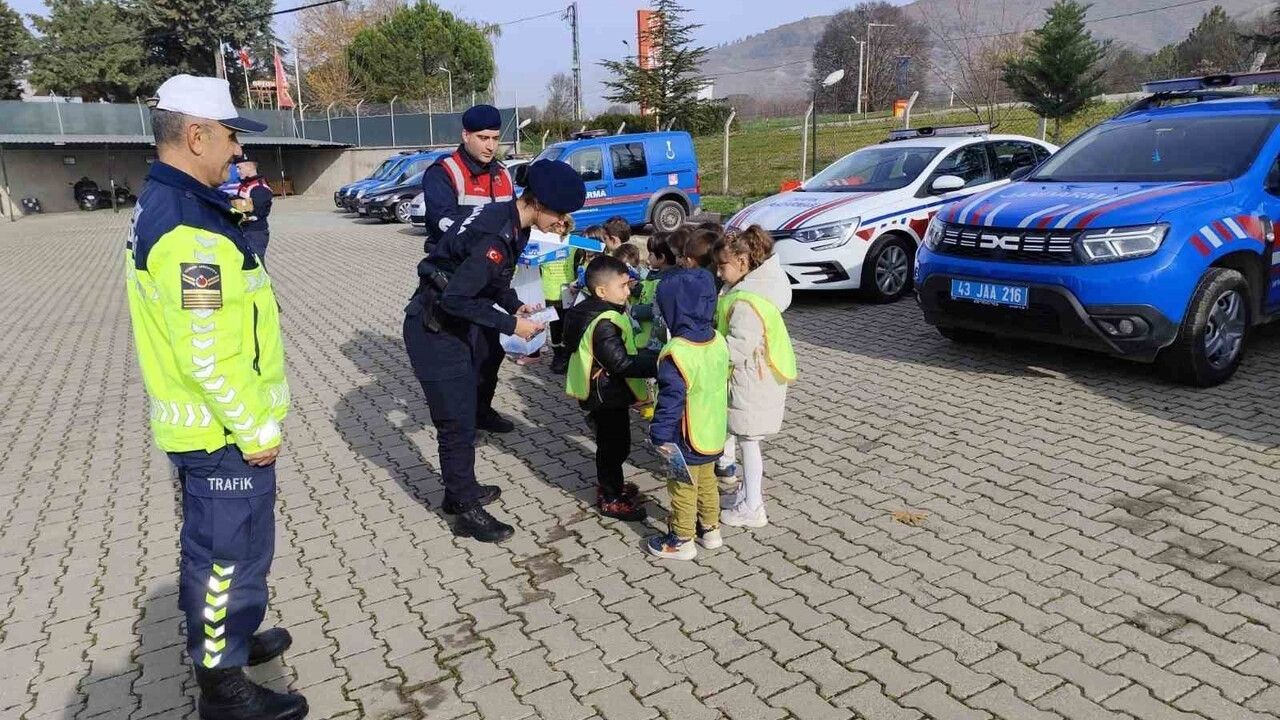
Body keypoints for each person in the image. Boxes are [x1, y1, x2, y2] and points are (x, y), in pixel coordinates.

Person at [123, 75, 305, 720]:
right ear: (196, 134)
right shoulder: (185, 226)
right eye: (230, 135)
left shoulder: (180, 205)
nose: (235, 149)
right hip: (223, 434)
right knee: (224, 557)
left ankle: (237, 634)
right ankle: (221, 687)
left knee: (239, 548)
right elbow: (208, 351)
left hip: (218, 430)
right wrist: (255, 428)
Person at [404, 159, 586, 543]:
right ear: (537, 202)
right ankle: (465, 509)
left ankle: (459, 491)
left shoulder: (508, 219)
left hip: (452, 326)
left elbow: (492, 280)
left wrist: (514, 303)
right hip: (434, 329)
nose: (562, 222)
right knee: (456, 424)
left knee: (464, 413)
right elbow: (455, 299)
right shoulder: (495, 237)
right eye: (559, 213)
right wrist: (511, 325)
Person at [563, 255, 659, 521]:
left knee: (615, 444)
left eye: (628, 285)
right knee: (613, 447)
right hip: (605, 395)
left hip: (604, 393)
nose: (628, 291)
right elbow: (621, 363)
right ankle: (611, 497)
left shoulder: (592, 309)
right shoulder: (604, 321)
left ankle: (613, 485)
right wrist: (658, 363)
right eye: (623, 286)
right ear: (601, 291)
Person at [713, 226, 796, 528]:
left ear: (743, 263)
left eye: (723, 266)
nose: (719, 273)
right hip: (758, 379)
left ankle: (753, 507)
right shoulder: (758, 289)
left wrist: (710, 355)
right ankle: (748, 495)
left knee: (749, 444)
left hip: (750, 381)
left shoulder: (746, 302)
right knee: (750, 443)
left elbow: (736, 347)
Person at [646, 268, 730, 561]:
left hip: (684, 438)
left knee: (682, 486)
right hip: (714, 431)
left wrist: (659, 434)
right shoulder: (718, 340)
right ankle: (710, 530)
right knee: (707, 481)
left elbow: (671, 400)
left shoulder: (677, 352)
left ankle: (682, 539)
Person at [421, 104, 515, 247]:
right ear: (466, 136)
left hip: (495, 265)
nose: (491, 146)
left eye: (495, 138)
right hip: (455, 266)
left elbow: (515, 219)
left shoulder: (503, 173)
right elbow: (444, 225)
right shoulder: (443, 172)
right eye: (483, 138)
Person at [230, 157, 273, 260]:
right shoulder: (246, 184)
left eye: (239, 168)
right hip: (246, 231)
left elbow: (257, 214)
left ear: (249, 167)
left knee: (257, 265)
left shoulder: (259, 188)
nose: (237, 171)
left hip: (254, 233)